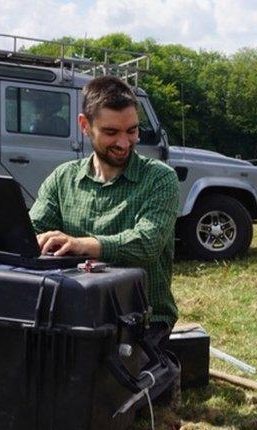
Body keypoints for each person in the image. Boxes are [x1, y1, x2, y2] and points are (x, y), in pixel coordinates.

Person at [29, 75, 179, 341]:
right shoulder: (63, 178)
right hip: (69, 311)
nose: (124, 142)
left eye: (132, 130)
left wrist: (81, 244)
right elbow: (33, 230)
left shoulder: (160, 178)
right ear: (85, 125)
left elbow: (147, 243)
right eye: (111, 132)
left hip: (141, 319)